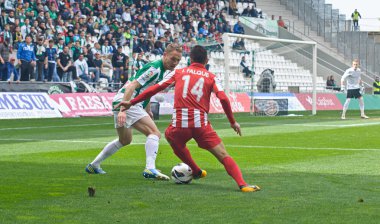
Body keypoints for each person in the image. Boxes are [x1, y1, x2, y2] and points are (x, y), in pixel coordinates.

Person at [116, 45, 260, 192]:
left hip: (179, 125)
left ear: (190, 59)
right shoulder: (211, 77)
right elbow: (223, 98)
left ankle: (196, 170)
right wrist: (232, 121)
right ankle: (242, 184)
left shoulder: (178, 73)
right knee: (223, 155)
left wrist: (131, 102)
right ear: (207, 60)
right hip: (201, 126)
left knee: (171, 138)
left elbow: (154, 88)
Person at [85, 43, 183, 180]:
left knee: (125, 140)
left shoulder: (161, 70)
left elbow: (146, 90)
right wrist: (123, 110)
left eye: (178, 60)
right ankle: (150, 168)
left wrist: (147, 109)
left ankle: (94, 165)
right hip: (128, 102)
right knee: (154, 133)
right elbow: (132, 86)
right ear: (165, 55)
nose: (175, 63)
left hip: (121, 101)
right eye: (173, 59)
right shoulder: (155, 68)